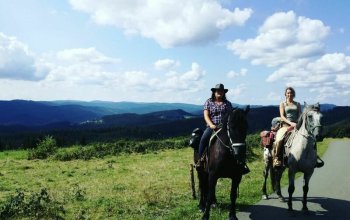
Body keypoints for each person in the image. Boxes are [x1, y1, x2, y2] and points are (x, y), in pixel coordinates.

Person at [198, 83, 250, 174]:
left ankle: (241, 163)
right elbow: (206, 115)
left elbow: (231, 116)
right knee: (203, 139)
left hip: (225, 127)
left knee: (238, 140)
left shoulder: (227, 103)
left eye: (221, 91)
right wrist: (211, 125)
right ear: (214, 92)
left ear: (224, 92)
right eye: (217, 91)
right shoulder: (208, 102)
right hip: (212, 126)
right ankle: (200, 160)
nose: (219, 92)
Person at [272, 87, 301, 167]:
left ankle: (313, 157)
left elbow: (300, 115)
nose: (289, 94)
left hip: (296, 125)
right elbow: (282, 116)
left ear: (293, 94)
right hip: (285, 126)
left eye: (291, 93)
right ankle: (276, 158)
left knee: (308, 137)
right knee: (279, 139)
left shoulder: (298, 104)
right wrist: (291, 123)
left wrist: (298, 123)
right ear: (285, 94)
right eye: (288, 93)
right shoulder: (283, 104)